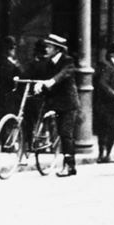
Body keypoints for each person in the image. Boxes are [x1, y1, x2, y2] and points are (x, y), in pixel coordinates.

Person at [33, 34, 80, 177]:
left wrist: (51, 81)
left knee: (66, 133)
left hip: (68, 103)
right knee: (59, 131)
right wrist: (37, 83)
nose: (46, 49)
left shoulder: (68, 61)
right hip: (54, 102)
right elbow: (38, 74)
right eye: (46, 46)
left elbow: (64, 74)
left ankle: (70, 166)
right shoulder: (48, 63)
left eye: (50, 46)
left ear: (57, 49)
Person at [94, 42, 114, 163]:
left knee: (112, 129)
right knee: (107, 129)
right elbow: (102, 83)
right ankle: (103, 154)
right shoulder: (107, 66)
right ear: (113, 54)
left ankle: (107, 154)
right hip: (105, 104)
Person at [0, 36, 21, 132]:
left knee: (5, 120)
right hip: (8, 95)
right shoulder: (6, 62)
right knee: (7, 120)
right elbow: (6, 77)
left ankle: (6, 142)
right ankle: (6, 143)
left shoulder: (7, 61)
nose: (14, 49)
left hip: (4, 94)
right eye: (12, 47)